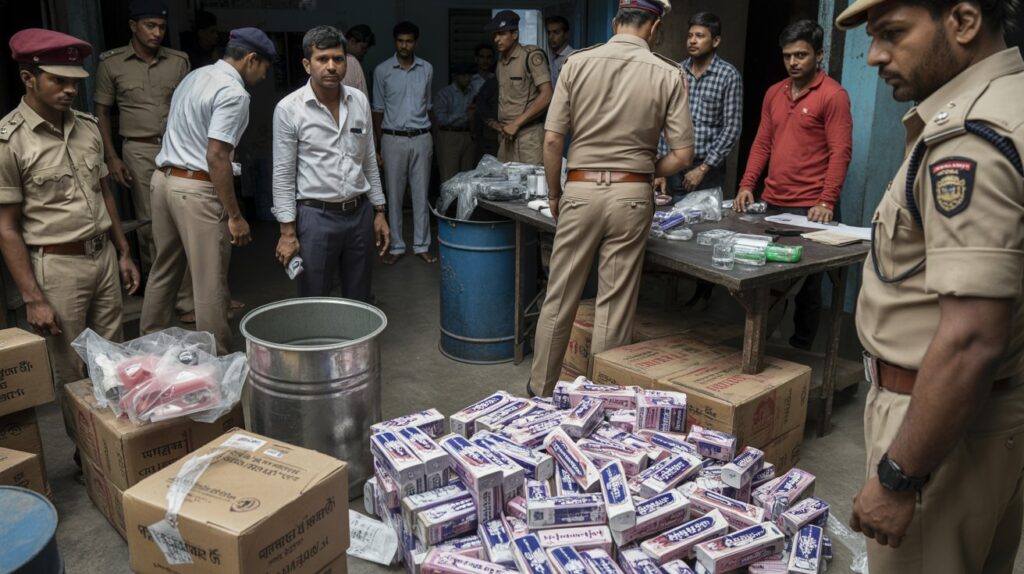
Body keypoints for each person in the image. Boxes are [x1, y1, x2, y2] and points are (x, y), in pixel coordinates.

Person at [836, 0, 1024, 572]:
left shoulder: (967, 139)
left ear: (963, 22)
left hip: (938, 424)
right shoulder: (1011, 103)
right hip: (992, 413)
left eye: (892, 33)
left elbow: (969, 339)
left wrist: (897, 478)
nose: (874, 56)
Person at [529, 0, 693, 397]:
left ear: (616, 22)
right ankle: (599, 405)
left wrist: (555, 193)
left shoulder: (577, 64)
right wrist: (643, 171)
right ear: (654, 28)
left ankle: (538, 392)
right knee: (614, 304)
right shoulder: (669, 73)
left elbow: (552, 140)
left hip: (580, 191)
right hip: (632, 197)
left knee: (560, 295)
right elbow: (683, 155)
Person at [0, 29, 140, 408]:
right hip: (58, 267)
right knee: (72, 372)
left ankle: (117, 447)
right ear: (29, 79)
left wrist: (123, 251)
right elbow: (7, 228)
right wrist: (33, 298)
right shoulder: (11, 142)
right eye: (58, 81)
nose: (69, 90)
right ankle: (87, 458)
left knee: (112, 362)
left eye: (74, 81)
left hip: (103, 259)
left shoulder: (87, 127)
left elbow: (104, 191)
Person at [140, 28, 274, 354]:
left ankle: (148, 347)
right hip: (196, 189)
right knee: (209, 282)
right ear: (251, 59)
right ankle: (219, 363)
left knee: (164, 270)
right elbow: (217, 157)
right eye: (264, 67)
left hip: (163, 182)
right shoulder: (234, 92)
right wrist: (235, 215)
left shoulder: (196, 76)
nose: (264, 75)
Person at [734, 19, 852, 351]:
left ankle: (801, 350)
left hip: (811, 208)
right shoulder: (775, 92)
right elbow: (762, 144)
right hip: (773, 202)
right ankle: (760, 343)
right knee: (763, 274)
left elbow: (840, 152)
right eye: (787, 56)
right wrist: (747, 185)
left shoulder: (833, 96)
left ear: (819, 54)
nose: (793, 62)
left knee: (809, 285)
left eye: (801, 55)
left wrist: (827, 201)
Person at [94, 0, 195, 322]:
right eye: (150, 26)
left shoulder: (178, 62)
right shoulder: (112, 64)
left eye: (162, 27)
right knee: (151, 226)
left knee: (186, 221)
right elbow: (102, 112)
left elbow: (191, 108)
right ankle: (160, 300)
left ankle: (188, 300)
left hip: (177, 148)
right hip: (137, 151)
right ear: (133, 26)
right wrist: (110, 156)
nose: (157, 33)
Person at [272, 26, 389, 301]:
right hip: (316, 217)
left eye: (338, 59)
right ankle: (319, 345)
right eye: (322, 59)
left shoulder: (358, 100)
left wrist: (379, 210)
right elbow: (283, 174)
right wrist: (287, 231)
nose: (331, 66)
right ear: (306, 64)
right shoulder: (289, 109)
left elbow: (369, 159)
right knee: (315, 296)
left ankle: (353, 346)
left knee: (359, 297)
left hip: (359, 214)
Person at [372, 21, 436, 265]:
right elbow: (377, 109)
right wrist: (379, 144)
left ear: (415, 42)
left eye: (409, 41)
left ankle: (421, 245)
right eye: (400, 41)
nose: (404, 45)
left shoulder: (427, 69)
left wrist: (434, 139)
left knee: (421, 194)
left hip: (421, 137)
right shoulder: (382, 70)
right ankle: (397, 246)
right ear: (394, 41)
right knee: (394, 195)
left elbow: (428, 105)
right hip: (392, 138)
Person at [487, 10, 552, 165]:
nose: (497, 39)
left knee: (531, 186)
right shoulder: (500, 62)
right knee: (505, 187)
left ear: (514, 34)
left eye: (502, 34)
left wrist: (516, 124)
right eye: (495, 35)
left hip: (528, 137)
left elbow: (547, 94)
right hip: (506, 137)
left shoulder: (531, 56)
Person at [435, 63, 476, 183]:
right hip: (449, 134)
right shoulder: (444, 93)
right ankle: (449, 202)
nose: (467, 78)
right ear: (455, 76)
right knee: (449, 175)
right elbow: (441, 119)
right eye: (463, 75)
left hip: (468, 134)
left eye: (469, 75)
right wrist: (465, 116)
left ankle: (462, 202)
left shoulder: (472, 92)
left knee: (467, 175)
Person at [342, 24, 374, 96]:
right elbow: (362, 98)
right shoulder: (352, 61)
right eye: (363, 48)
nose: (365, 52)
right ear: (352, 41)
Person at [545, 15, 575, 87]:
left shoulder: (574, 57)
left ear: (566, 34)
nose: (551, 37)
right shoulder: (547, 57)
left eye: (556, 32)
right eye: (549, 33)